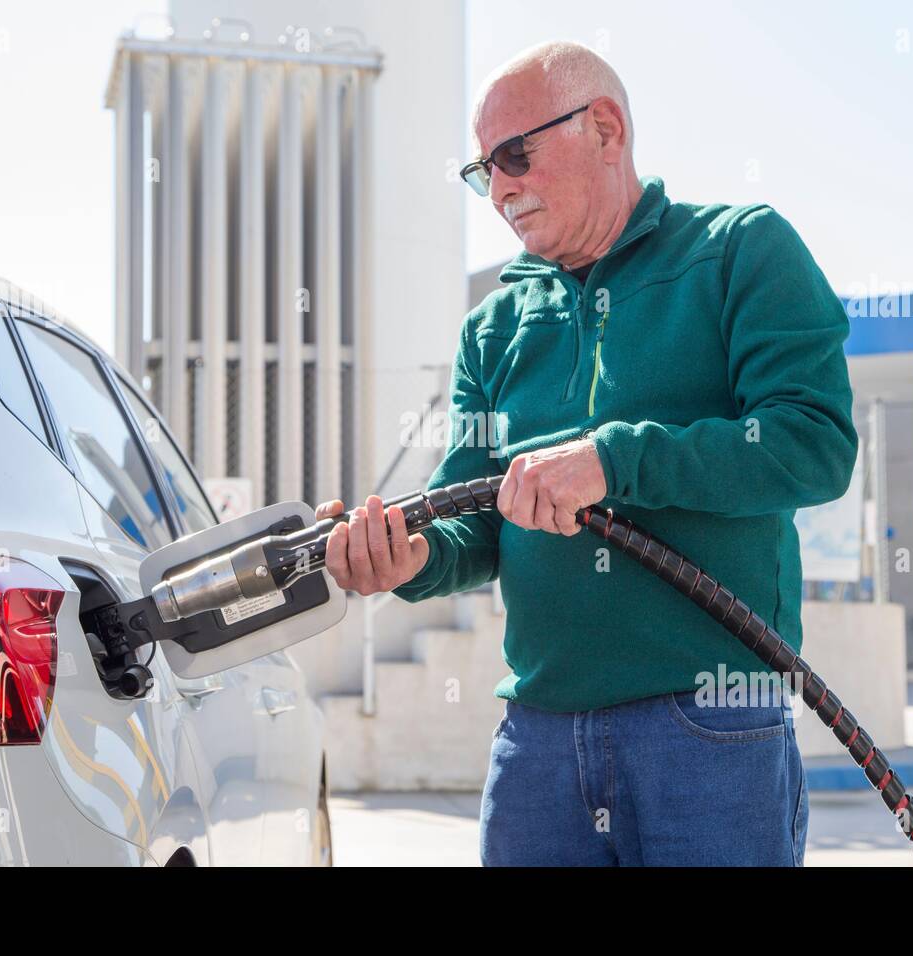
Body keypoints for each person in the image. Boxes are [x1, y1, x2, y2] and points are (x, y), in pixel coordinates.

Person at [315, 39, 857, 866]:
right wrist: (406, 557)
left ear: (605, 127)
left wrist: (615, 460)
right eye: (482, 170)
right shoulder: (492, 327)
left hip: (711, 728)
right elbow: (468, 520)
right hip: (537, 743)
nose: (498, 188)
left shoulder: (741, 252)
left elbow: (813, 446)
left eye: (514, 155)